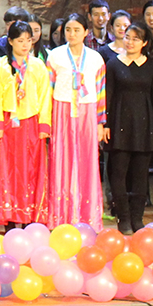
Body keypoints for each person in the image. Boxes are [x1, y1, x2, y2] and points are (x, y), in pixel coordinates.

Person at [101, 23, 153, 234]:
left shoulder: (151, 65)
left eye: (136, 39)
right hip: (119, 123)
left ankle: (137, 218)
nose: (130, 42)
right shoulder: (113, 64)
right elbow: (108, 96)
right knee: (118, 173)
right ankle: (123, 218)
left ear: (144, 43)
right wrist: (106, 124)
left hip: (144, 125)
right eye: (128, 37)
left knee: (140, 174)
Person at [45, 12, 106, 229]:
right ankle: (60, 216)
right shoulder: (55, 56)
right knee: (61, 160)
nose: (72, 34)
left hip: (87, 112)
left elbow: (101, 92)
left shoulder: (96, 58)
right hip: (61, 112)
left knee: (87, 161)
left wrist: (100, 122)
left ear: (86, 32)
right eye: (68, 30)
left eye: (77, 30)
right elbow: (48, 90)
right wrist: (47, 120)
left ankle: (87, 217)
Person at [0, 21, 51, 228]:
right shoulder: (0, 66)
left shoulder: (38, 66)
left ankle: (29, 217)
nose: (25, 45)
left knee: (31, 169)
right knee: (9, 169)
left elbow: (45, 97)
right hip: (9, 123)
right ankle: (9, 218)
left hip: (31, 122)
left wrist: (44, 125)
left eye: (28, 40)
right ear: (10, 41)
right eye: (20, 41)